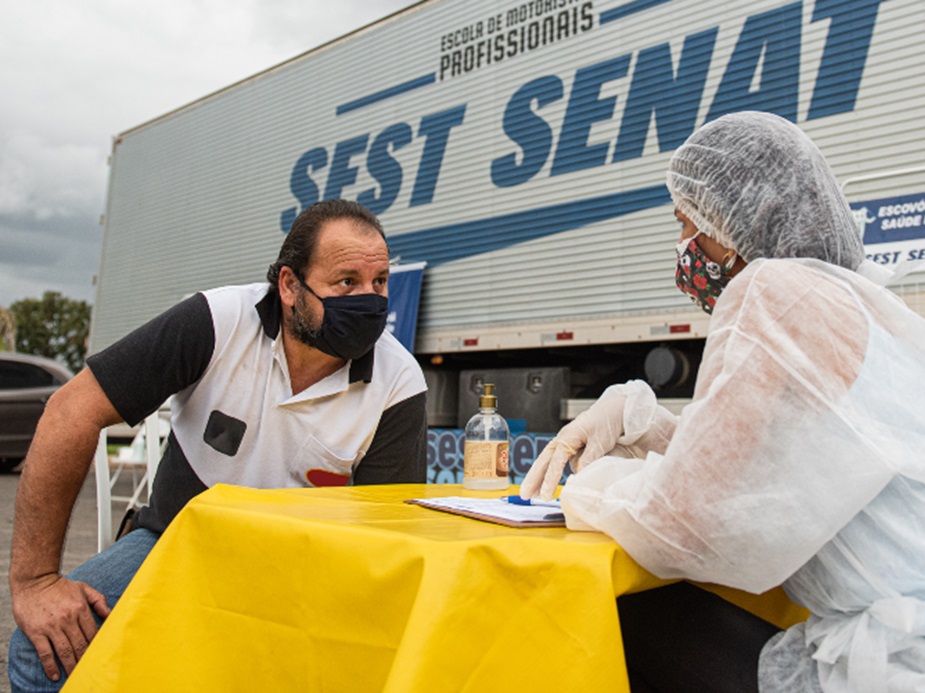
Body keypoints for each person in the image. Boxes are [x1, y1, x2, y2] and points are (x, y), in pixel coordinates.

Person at [521, 111, 925, 692]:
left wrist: (587, 487)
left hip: (885, 667)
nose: (684, 249)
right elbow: (779, 461)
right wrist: (647, 423)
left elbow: (682, 528)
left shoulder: (773, 291)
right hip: (901, 645)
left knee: (605, 616)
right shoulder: (863, 308)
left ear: (747, 220)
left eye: (690, 226)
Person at [8, 199, 428, 692]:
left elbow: (389, 533)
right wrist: (35, 583)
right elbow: (69, 412)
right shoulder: (216, 321)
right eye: (346, 282)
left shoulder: (398, 380)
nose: (369, 300)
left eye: (379, 282)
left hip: (309, 571)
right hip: (174, 542)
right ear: (290, 286)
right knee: (42, 651)